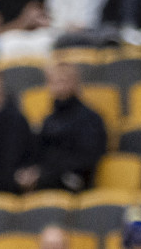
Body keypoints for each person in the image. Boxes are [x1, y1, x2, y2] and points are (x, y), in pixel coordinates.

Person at [14, 62, 106, 192]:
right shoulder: (48, 120)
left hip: (75, 178)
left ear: (75, 82)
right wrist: (31, 171)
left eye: (63, 80)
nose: (58, 86)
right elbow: (39, 153)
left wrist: (45, 171)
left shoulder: (90, 118)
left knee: (43, 182)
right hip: (47, 174)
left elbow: (87, 158)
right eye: (53, 81)